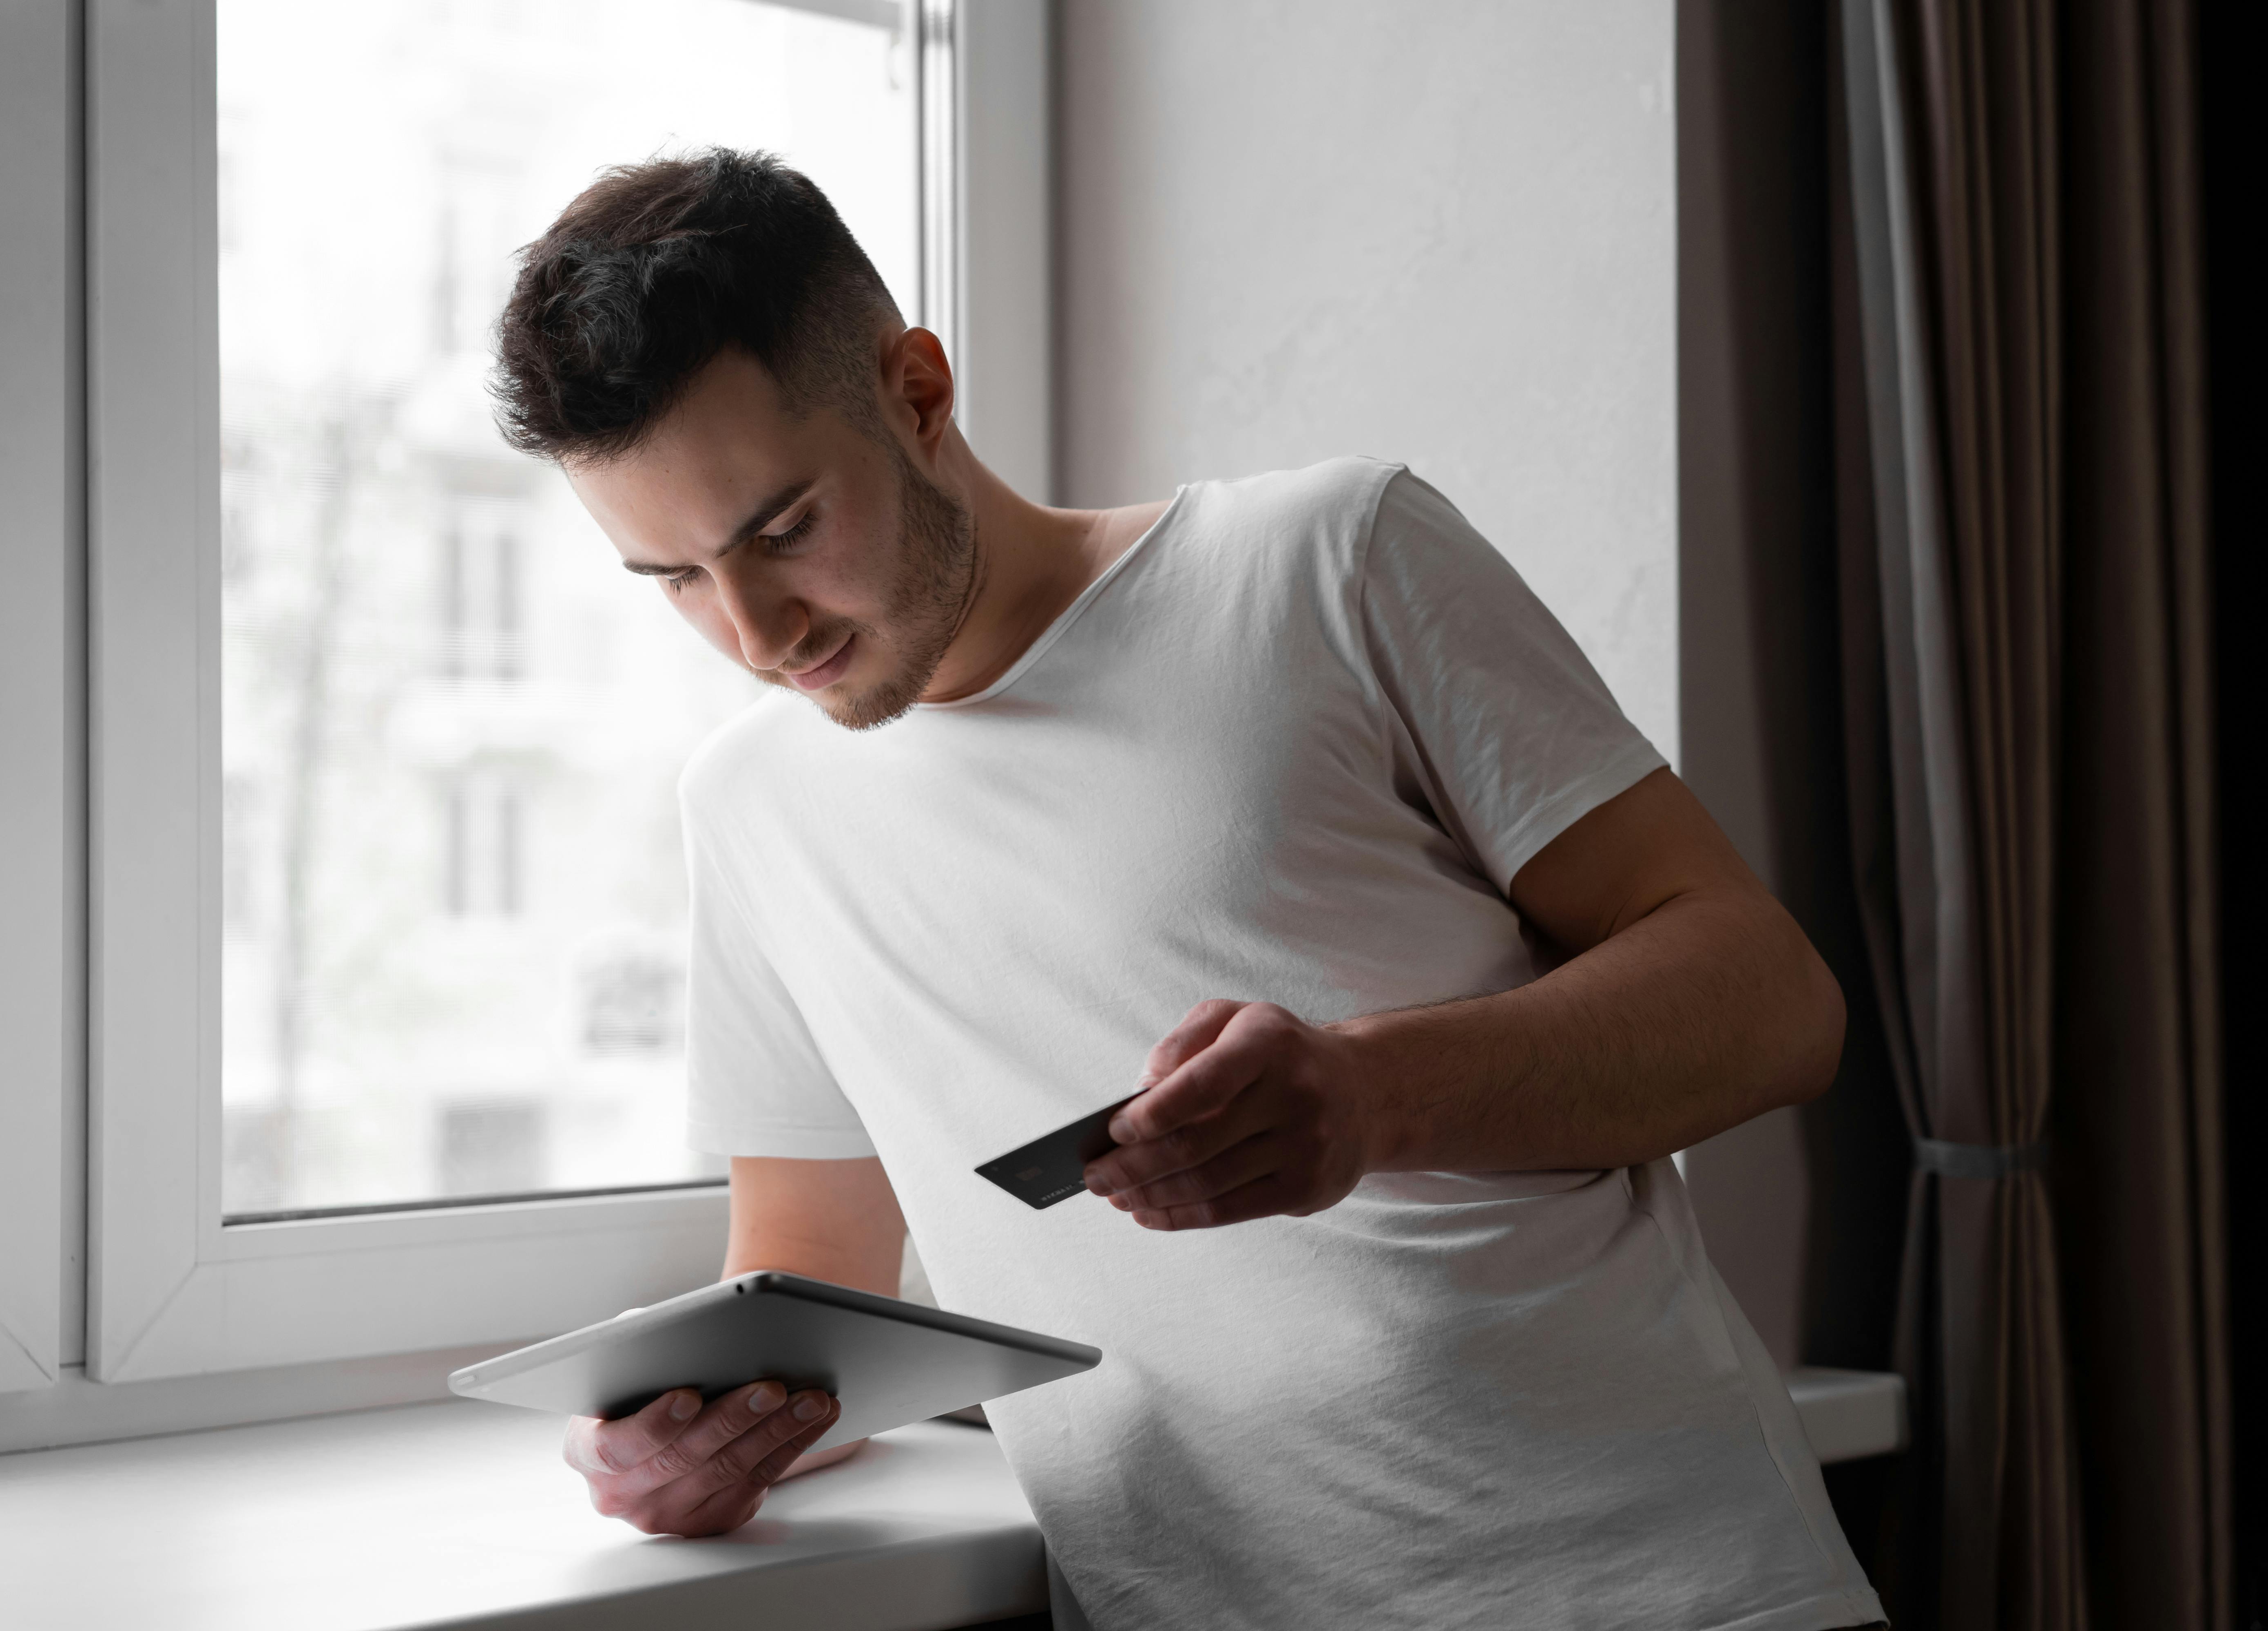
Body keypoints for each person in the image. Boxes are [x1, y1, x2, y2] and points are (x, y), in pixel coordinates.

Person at [491, 148, 1887, 1631]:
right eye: (678, 581)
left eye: (779, 533)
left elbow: (1771, 1001)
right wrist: (680, 1445)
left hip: (1668, 1587)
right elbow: (811, 1276)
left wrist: (1371, 1095)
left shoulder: (1327, 562)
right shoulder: (752, 809)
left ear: (915, 391)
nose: (757, 631)